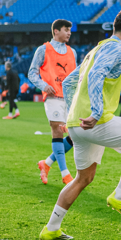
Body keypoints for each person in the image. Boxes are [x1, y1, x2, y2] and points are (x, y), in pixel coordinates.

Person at [39, 10, 121, 240]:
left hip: (78, 124)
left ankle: (51, 228)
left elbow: (70, 81)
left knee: (82, 179)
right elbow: (95, 76)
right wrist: (94, 112)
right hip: (95, 121)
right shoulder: (115, 49)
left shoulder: (97, 49)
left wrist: (72, 116)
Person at [30, 19, 79, 185]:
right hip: (53, 98)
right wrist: (44, 85)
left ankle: (46, 163)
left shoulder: (73, 52)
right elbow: (32, 73)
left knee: (75, 137)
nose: (69, 33)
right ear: (56, 31)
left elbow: (75, 77)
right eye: (66, 30)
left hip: (70, 99)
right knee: (58, 130)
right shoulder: (43, 50)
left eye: (70, 30)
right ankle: (66, 175)